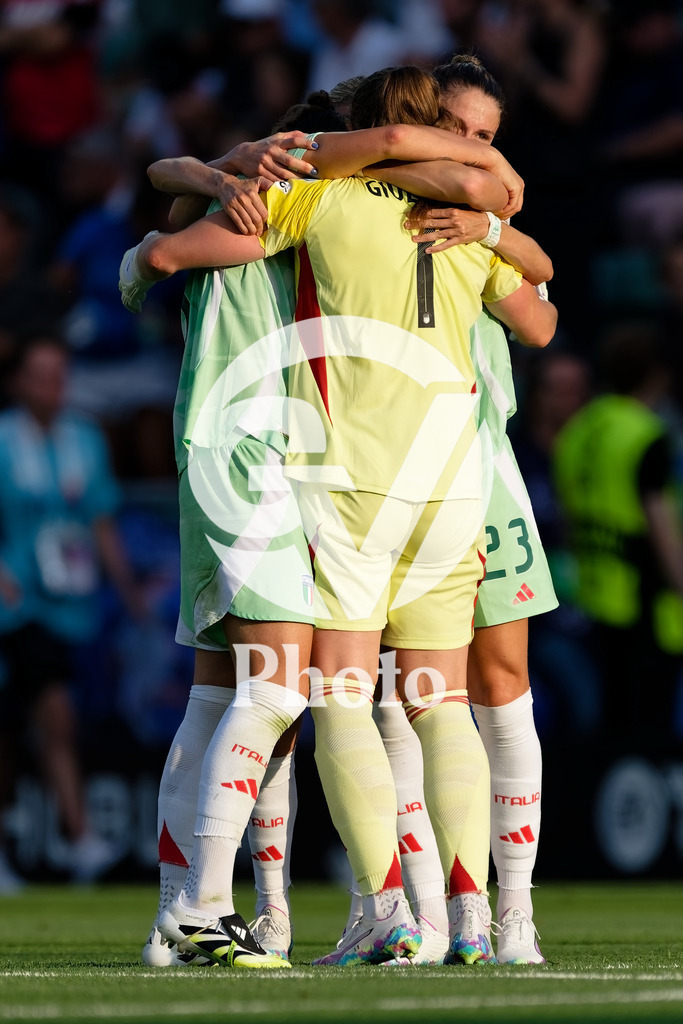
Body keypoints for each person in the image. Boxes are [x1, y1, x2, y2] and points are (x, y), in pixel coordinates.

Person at [121, 64, 556, 968]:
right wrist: (214, 174)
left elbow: (160, 253)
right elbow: (541, 304)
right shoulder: (457, 229)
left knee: (301, 695)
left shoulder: (325, 208)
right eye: (459, 131)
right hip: (432, 488)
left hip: (339, 482)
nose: (471, 150)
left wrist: (206, 191)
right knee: (429, 705)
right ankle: (461, 921)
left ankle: (360, 911)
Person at [335, 54, 557, 966]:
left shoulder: (481, 218)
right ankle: (426, 913)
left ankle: (512, 917)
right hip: (384, 464)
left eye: (485, 139)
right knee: (403, 690)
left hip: (480, 459)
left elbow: (542, 310)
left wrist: (494, 227)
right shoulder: (364, 191)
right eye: (457, 128)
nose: (470, 150)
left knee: (500, 687)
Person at [0, 328, 141, 890]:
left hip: (70, 607)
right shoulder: (4, 439)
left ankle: (61, 839)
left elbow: (101, 520)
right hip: (15, 605)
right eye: (41, 376)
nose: (52, 387)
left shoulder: (83, 437)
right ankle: (80, 835)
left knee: (31, 726)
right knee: (51, 712)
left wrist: (127, 588)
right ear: (17, 382)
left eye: (59, 376)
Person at [553, 321, 683, 755]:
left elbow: (570, 521)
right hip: (644, 605)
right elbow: (663, 530)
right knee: (648, 735)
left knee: (610, 729)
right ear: (657, 375)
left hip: (590, 598)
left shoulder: (577, 431)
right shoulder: (646, 435)